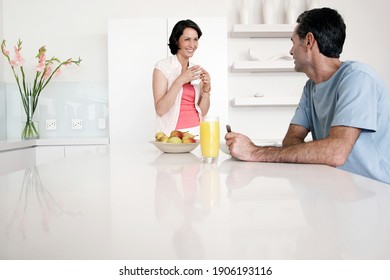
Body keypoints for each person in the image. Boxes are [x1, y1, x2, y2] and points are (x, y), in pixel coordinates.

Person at [225, 7, 390, 184]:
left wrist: (255, 152)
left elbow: (335, 153)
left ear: (309, 41)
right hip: (335, 187)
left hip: (374, 193)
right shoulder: (310, 87)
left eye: (293, 42)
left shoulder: (358, 78)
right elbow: (290, 141)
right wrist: (320, 151)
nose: (290, 51)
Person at [153, 19, 211, 135]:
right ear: (176, 41)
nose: (192, 45)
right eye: (187, 39)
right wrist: (180, 80)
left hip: (197, 132)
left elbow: (203, 112)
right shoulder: (162, 67)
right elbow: (160, 110)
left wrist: (206, 90)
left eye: (195, 40)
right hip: (173, 134)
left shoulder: (196, 70)